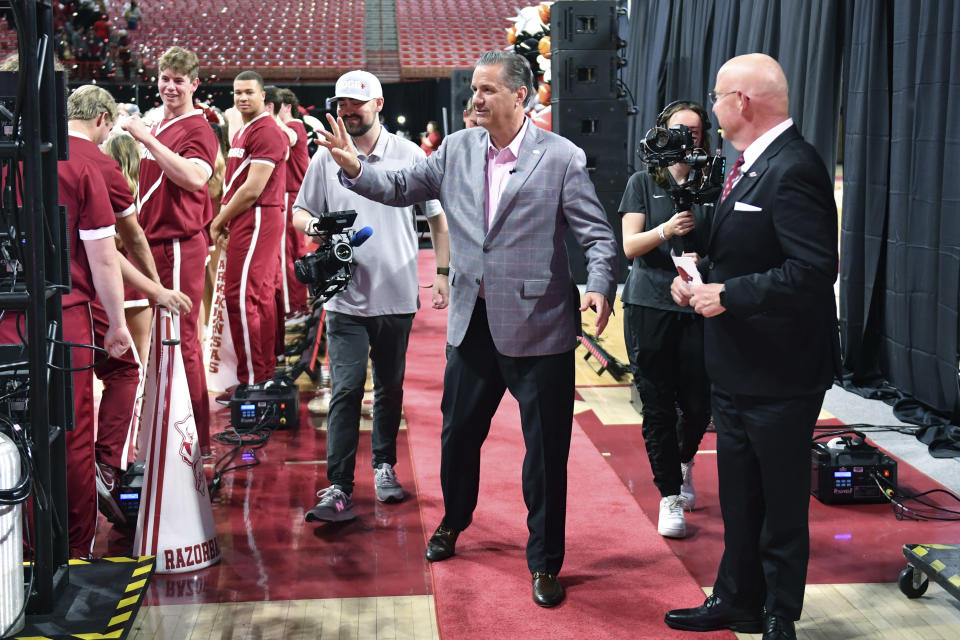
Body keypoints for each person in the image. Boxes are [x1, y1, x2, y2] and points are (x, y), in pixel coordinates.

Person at [317, 51, 617, 607]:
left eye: (486, 90)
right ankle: (455, 521)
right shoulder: (455, 149)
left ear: (520, 96)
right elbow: (401, 184)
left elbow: (597, 236)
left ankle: (545, 561)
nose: (474, 99)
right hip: (470, 323)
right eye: (473, 89)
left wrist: (599, 282)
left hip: (540, 327)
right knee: (458, 439)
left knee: (545, 453)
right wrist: (354, 168)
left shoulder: (562, 158)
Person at [665, 54, 840, 640]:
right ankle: (736, 597)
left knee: (782, 503)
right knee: (740, 496)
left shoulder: (795, 167)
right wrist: (699, 277)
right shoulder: (747, 166)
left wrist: (729, 295)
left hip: (781, 372)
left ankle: (778, 614)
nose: (710, 111)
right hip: (737, 366)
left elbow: (813, 270)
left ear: (742, 101)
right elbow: (748, 253)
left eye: (716, 98)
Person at [291, 70, 449, 522]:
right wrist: (317, 228)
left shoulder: (409, 153)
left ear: (378, 104)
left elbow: (438, 218)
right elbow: (300, 212)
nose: (347, 111)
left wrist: (442, 272)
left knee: (389, 388)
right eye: (341, 103)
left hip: (397, 295)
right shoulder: (325, 157)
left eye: (356, 103)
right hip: (344, 298)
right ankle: (338, 486)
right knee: (344, 391)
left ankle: (384, 466)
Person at [67, 86, 192, 526]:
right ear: (103, 119)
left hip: (26, 296)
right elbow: (119, 245)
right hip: (82, 293)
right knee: (123, 370)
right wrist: (157, 289)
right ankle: (105, 466)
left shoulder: (32, 152)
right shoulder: (97, 165)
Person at [618, 100, 713, 539]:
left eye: (694, 132)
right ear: (661, 132)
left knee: (699, 402)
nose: (686, 139)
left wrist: (705, 262)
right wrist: (666, 231)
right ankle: (669, 494)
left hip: (700, 305)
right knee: (657, 404)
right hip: (650, 305)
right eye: (678, 130)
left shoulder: (714, 181)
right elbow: (630, 246)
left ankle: (684, 459)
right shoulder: (643, 181)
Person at [121, 46, 220, 454]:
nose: (170, 86)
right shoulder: (160, 123)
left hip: (180, 245)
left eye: (179, 80)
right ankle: (169, 436)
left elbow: (195, 179)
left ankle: (197, 445)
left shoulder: (198, 128)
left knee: (182, 340)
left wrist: (146, 138)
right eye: (165, 78)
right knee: (164, 340)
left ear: (194, 84)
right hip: (154, 242)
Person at [209, 70, 287, 385]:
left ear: (263, 96)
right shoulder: (243, 130)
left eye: (249, 92)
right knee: (257, 296)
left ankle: (253, 380)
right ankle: (262, 374)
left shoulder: (266, 131)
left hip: (257, 216)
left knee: (241, 297)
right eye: (237, 92)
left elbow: (253, 189)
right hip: (248, 217)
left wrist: (219, 220)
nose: (242, 97)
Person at [275, 87, 311, 325]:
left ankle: (296, 307)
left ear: (286, 107)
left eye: (273, 107)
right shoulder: (295, 127)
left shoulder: (294, 126)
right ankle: (297, 305)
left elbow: (287, 136)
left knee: (290, 254)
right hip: (293, 195)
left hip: (291, 196)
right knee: (291, 253)